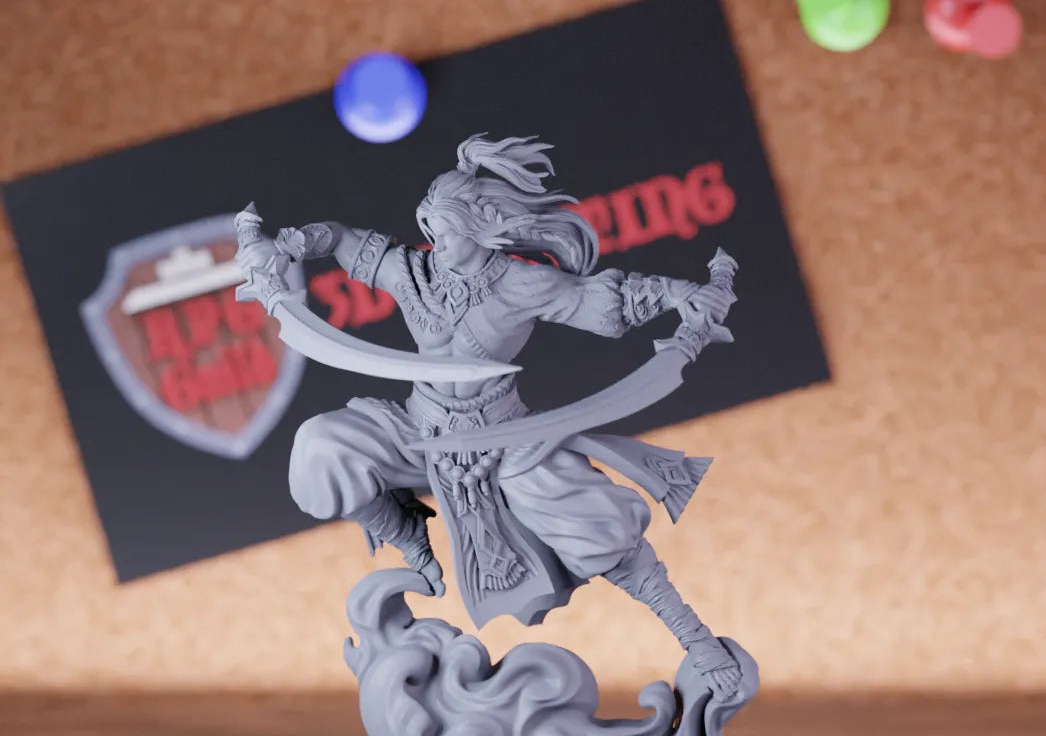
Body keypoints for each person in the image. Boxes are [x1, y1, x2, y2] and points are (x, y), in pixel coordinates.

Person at [235, 134, 742, 698]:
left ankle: (695, 638)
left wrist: (679, 294)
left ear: (482, 227)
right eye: (429, 228)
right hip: (419, 428)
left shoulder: (525, 282)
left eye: (445, 231)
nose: (434, 242)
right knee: (321, 446)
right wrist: (289, 244)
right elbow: (341, 238)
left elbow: (605, 302)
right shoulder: (413, 271)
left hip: (502, 438)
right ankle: (407, 534)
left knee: (594, 523)